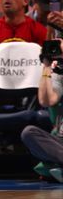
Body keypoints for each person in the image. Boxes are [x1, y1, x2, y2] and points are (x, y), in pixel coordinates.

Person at [20, 39, 63, 182]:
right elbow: (46, 101)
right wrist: (46, 66)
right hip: (60, 141)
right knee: (29, 133)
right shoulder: (60, 75)